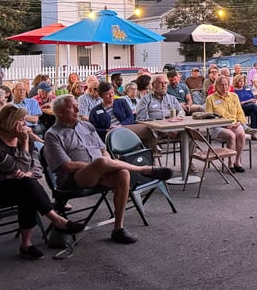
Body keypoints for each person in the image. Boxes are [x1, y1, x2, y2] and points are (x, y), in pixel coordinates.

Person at [44, 95, 173, 244]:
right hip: (73, 179)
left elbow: (103, 149)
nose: (78, 109)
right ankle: (143, 169)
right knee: (101, 161)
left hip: (100, 172)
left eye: (76, 105)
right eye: (72, 107)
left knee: (123, 173)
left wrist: (105, 164)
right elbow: (67, 166)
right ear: (60, 112)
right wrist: (98, 165)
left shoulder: (87, 126)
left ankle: (118, 228)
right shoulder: (52, 135)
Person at [0, 104, 85, 259]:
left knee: (27, 188)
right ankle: (56, 221)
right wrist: (23, 145)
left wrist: (29, 172)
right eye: (21, 120)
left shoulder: (26, 139)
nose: (24, 125)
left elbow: (36, 167)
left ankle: (27, 244)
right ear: (8, 122)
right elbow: (19, 167)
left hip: (19, 185)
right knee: (27, 185)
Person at [204, 76, 247, 172]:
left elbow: (240, 113)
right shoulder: (210, 98)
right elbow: (210, 116)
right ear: (216, 86)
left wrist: (239, 122)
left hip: (233, 123)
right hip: (218, 126)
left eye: (226, 84)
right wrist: (224, 124)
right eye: (221, 85)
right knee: (231, 136)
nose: (224, 87)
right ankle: (230, 164)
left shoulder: (234, 96)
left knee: (241, 134)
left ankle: (237, 161)